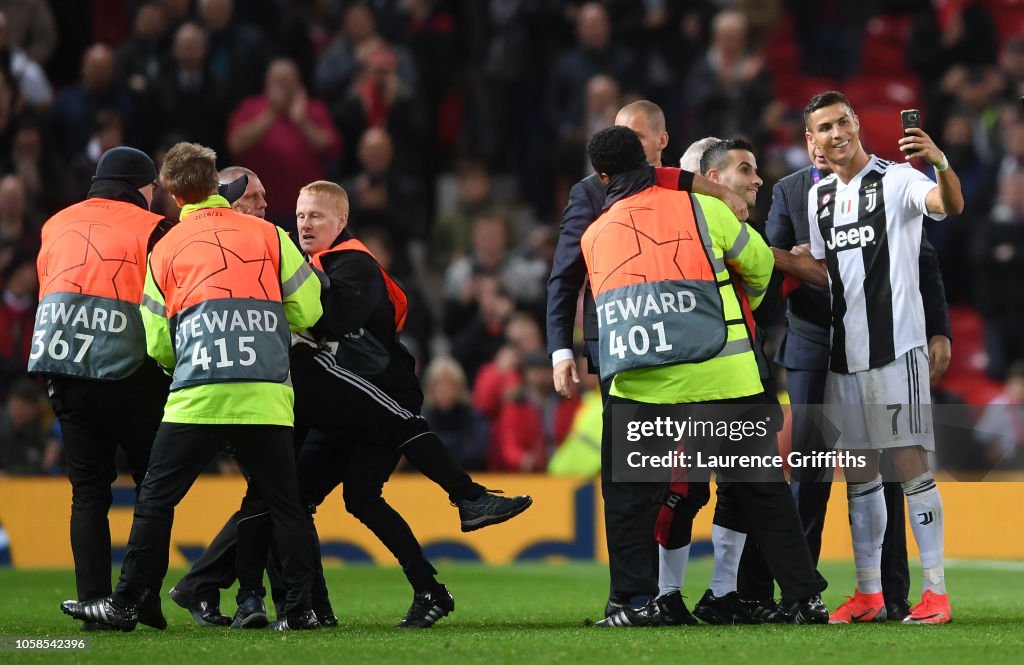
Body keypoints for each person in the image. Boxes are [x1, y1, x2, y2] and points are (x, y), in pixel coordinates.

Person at [59, 141, 325, 632]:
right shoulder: (268, 235)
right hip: (264, 396)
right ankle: (300, 609)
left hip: (197, 395)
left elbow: (158, 340)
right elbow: (309, 309)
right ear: (219, 186)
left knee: (156, 499)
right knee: (285, 503)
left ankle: (125, 602)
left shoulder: (164, 248)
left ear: (175, 196)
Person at [584, 126, 827, 628]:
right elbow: (758, 269)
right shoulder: (706, 209)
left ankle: (634, 602)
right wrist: (742, 312)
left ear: (603, 176)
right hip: (726, 377)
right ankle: (805, 597)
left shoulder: (597, 232)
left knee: (630, 498)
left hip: (643, 388)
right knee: (765, 491)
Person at [546, 100, 747, 618]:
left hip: (695, 357)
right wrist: (561, 349)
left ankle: (686, 595)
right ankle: (631, 596)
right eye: (621, 137)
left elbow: (695, 190)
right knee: (635, 485)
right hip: (626, 358)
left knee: (691, 485)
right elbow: (566, 275)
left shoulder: (680, 188)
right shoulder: (591, 194)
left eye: (636, 137)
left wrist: (724, 192)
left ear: (660, 143)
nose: (628, 148)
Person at [773, 91, 963, 625]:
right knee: (858, 473)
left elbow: (950, 206)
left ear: (857, 123)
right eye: (824, 128)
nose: (837, 134)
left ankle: (936, 593)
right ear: (811, 140)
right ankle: (869, 594)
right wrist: (773, 255)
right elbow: (827, 270)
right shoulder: (819, 198)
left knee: (907, 465)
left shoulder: (900, 179)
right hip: (842, 354)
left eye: (843, 122)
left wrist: (941, 162)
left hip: (896, 347)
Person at [27, 146, 172, 630]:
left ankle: (93, 603)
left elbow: (48, 288)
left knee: (88, 493)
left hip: (67, 372)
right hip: (133, 373)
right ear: (140, 186)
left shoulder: (55, 223)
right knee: (153, 490)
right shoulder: (152, 229)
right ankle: (141, 597)